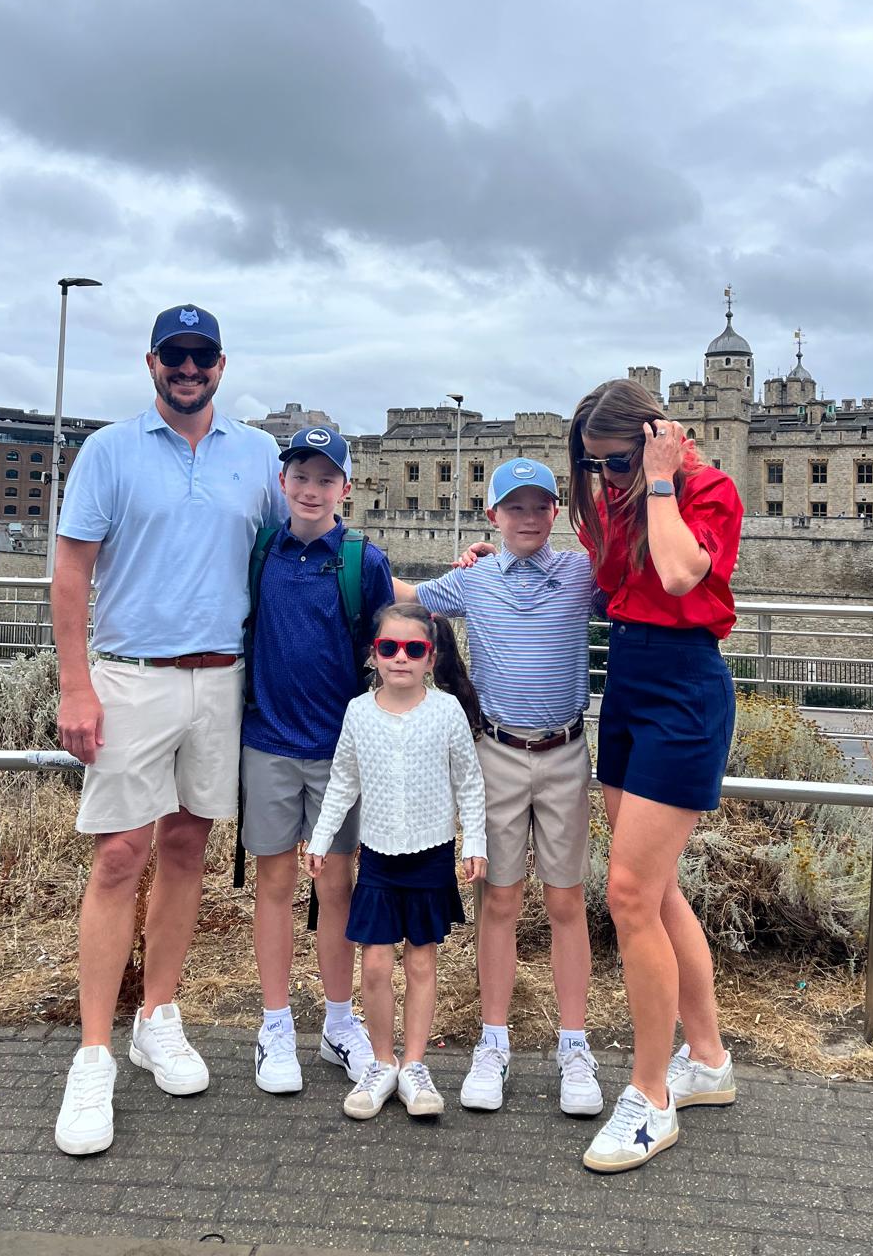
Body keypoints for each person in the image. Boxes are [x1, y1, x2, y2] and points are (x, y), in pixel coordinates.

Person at [50, 303, 286, 1157]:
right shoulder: (109, 451)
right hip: (131, 676)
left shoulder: (257, 455)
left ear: (221, 364)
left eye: (202, 357)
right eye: (174, 356)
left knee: (187, 847)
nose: (189, 370)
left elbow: (301, 541)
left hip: (222, 678)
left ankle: (158, 1015)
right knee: (120, 856)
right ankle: (93, 1055)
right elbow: (70, 572)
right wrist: (76, 686)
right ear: (152, 363)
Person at [390, 458, 602, 1117]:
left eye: (540, 506)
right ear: (494, 516)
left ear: (557, 512)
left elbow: (635, 581)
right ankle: (493, 1042)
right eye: (516, 507)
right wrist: (342, 551)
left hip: (565, 753)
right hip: (499, 756)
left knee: (566, 901)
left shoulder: (581, 573)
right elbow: (408, 596)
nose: (529, 518)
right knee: (500, 901)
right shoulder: (473, 578)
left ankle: (574, 1046)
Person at [567, 379, 743, 1174]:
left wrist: (662, 480)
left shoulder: (707, 490)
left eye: (615, 461)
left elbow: (677, 575)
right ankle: (706, 1059)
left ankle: (651, 1097)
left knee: (630, 895)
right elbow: (604, 582)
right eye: (593, 465)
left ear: (652, 440)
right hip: (630, 681)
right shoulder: (615, 497)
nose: (605, 477)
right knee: (657, 891)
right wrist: (504, 566)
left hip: (685, 686)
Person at [240, 426, 393, 1096]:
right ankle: (275, 1024)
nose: (310, 489)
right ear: (283, 482)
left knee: (335, 887)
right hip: (269, 743)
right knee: (273, 885)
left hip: (339, 753)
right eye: (300, 476)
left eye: (325, 479)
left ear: (345, 489)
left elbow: (390, 648)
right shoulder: (260, 552)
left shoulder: (364, 561)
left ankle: (337, 1021)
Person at [304, 602, 487, 1120]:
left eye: (413, 649)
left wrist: (475, 842)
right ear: (374, 655)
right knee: (376, 963)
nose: (400, 657)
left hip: (431, 854)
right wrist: (321, 839)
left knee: (421, 960)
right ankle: (381, 1062)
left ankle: (414, 1065)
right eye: (389, 647)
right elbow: (343, 781)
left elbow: (469, 782)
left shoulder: (446, 711)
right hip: (379, 857)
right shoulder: (359, 712)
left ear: (430, 657)